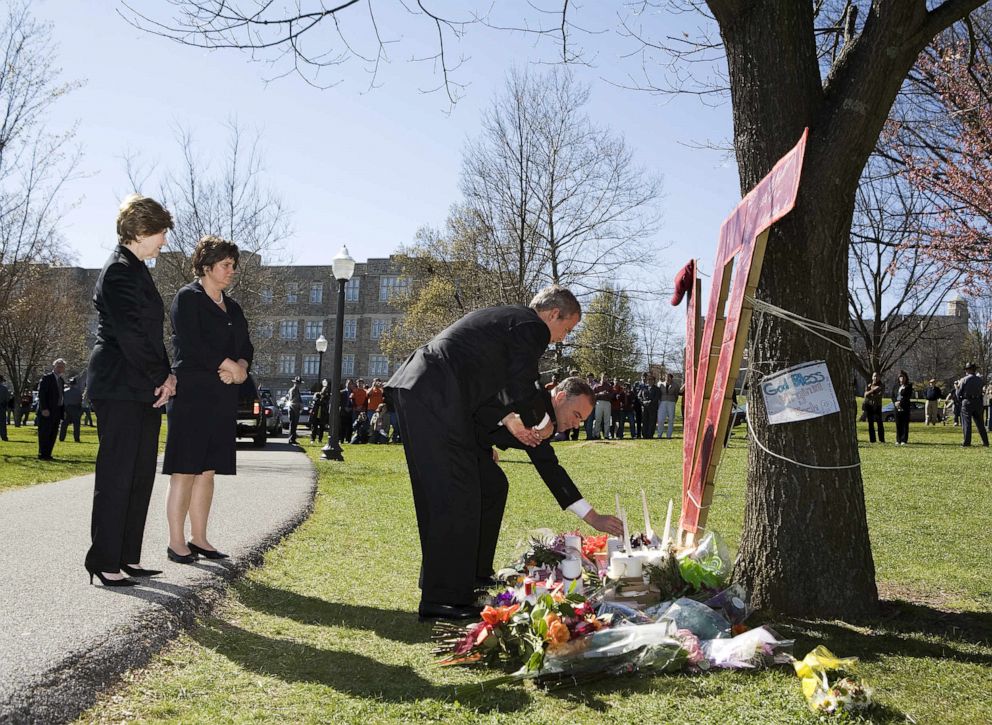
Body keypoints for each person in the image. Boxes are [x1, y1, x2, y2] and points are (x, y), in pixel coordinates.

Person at [386, 284, 581, 621]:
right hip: (435, 394)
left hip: (433, 393)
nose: (562, 339)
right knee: (455, 494)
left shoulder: (508, 326)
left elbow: (492, 380)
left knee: (483, 485)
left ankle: (463, 579)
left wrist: (510, 418)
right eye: (566, 329)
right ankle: (444, 600)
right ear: (553, 314)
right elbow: (523, 383)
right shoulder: (531, 327)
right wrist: (543, 421)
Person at [85, 193, 176, 587]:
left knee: (140, 474)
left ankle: (126, 557)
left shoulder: (139, 269)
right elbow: (132, 336)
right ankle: (103, 560)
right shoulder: (119, 271)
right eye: (160, 233)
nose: (165, 242)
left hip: (142, 385)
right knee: (117, 474)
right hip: (120, 383)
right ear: (140, 231)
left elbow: (152, 337)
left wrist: (166, 375)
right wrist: (164, 376)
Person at [473, 377, 624, 585]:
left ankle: (479, 573)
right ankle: (467, 576)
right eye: (576, 415)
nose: (575, 424)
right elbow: (487, 400)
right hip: (451, 429)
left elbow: (550, 468)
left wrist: (485, 444)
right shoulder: (532, 402)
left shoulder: (546, 421)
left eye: (581, 421)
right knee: (491, 487)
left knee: (494, 486)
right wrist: (593, 518)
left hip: (475, 440)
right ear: (560, 397)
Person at [163, 235, 254, 564]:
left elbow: (245, 347)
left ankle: (199, 538)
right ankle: (176, 543)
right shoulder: (188, 299)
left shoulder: (233, 307)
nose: (232, 271)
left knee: (207, 471)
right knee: (185, 470)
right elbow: (193, 343)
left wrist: (240, 367)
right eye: (226, 265)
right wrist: (226, 364)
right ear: (206, 267)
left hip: (221, 396)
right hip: (192, 395)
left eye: (233, 265)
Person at [36, 359, 66, 460]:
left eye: (62, 366)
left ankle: (48, 453)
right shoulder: (47, 378)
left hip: (57, 410)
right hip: (47, 410)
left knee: (53, 433)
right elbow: (42, 394)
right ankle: (42, 454)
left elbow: (61, 396)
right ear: (54, 366)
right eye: (58, 366)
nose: (60, 368)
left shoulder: (61, 380)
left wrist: (62, 412)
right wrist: (44, 408)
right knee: (45, 432)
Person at [956, 362, 989, 447]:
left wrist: (957, 389)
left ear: (968, 370)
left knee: (966, 423)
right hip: (978, 401)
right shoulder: (979, 379)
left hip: (967, 401)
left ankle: (967, 442)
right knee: (980, 423)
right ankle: (985, 442)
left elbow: (958, 393)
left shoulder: (964, 379)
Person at [862, 373, 885, 443]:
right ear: (872, 377)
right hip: (869, 406)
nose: (876, 378)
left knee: (879, 423)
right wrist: (874, 390)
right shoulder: (869, 385)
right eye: (874, 376)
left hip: (877, 406)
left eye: (877, 376)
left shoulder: (882, 385)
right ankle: (872, 440)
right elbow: (865, 395)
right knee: (870, 423)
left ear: (879, 378)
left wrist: (870, 393)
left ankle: (881, 439)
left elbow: (879, 395)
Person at [60, 376, 84, 442]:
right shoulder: (78, 392)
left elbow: (62, 401)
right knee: (76, 425)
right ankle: (76, 438)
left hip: (67, 409)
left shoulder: (65, 391)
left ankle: (61, 438)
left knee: (64, 425)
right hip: (75, 409)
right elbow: (80, 401)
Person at [892, 370, 913, 445]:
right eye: (900, 377)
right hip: (896, 406)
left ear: (906, 378)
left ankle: (904, 440)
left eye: (903, 377)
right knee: (898, 423)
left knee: (904, 423)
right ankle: (898, 439)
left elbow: (907, 396)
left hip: (904, 406)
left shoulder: (909, 386)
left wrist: (900, 402)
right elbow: (893, 396)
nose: (902, 378)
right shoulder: (896, 386)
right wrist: (895, 402)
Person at [591, 372, 613, 440]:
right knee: (598, 419)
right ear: (601, 377)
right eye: (603, 377)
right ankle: (596, 434)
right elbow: (593, 395)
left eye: (606, 377)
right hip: (599, 403)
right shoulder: (597, 386)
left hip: (607, 403)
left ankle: (606, 435)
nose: (604, 379)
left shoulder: (609, 386)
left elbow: (612, 396)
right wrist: (600, 394)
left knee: (607, 420)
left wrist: (607, 394)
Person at [658, 372, 679, 439]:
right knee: (661, 419)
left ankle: (669, 435)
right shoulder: (660, 384)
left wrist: (674, 401)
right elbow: (659, 393)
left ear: (671, 378)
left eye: (669, 377)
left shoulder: (675, 385)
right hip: (662, 402)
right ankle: (659, 434)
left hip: (671, 402)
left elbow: (676, 395)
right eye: (666, 377)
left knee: (671, 419)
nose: (667, 378)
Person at [639, 374, 660, 439]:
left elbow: (657, 397)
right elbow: (639, 396)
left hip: (652, 407)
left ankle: (650, 434)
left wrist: (649, 402)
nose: (649, 381)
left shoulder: (657, 389)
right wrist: (643, 402)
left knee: (652, 421)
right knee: (645, 421)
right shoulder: (644, 388)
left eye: (651, 380)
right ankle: (644, 435)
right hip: (644, 407)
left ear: (654, 381)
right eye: (648, 380)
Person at [287, 377, 303, 444]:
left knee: (294, 425)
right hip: (293, 409)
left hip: (296, 409)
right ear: (294, 383)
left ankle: (293, 438)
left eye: (299, 383)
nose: (298, 384)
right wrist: (298, 404)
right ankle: (291, 439)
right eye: (297, 383)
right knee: (292, 424)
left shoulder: (297, 390)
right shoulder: (293, 390)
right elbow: (291, 400)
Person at [0, 375, 9, 441]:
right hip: (1, 407)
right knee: (2, 423)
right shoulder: (4, 388)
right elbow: (7, 398)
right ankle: (3, 436)